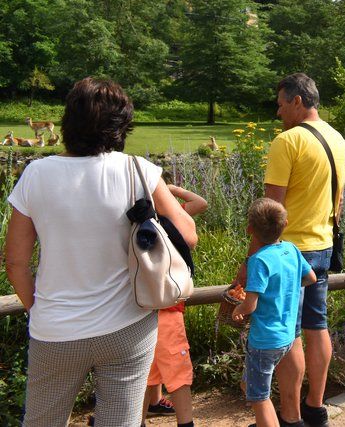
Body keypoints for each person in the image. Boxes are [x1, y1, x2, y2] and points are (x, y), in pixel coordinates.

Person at [4, 77, 197, 427]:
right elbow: (187, 234)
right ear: (121, 125)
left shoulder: (36, 174)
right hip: (127, 326)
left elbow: (15, 262)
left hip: (56, 329)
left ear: (68, 121)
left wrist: (40, 309)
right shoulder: (138, 170)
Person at [235, 73, 345, 427]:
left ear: (298, 101)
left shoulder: (287, 142)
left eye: (282, 103)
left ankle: (291, 415)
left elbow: (271, 210)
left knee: (291, 332)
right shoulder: (339, 140)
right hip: (323, 245)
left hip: (287, 250)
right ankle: (316, 406)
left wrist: (249, 262)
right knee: (318, 325)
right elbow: (339, 201)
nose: (278, 110)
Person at [232, 199, 317, 427]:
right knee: (250, 384)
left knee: (260, 399)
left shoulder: (258, 260)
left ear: (250, 230)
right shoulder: (291, 249)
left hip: (264, 341)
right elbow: (311, 278)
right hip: (287, 338)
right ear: (285, 224)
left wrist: (238, 310)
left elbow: (250, 305)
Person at [143, 183, 209, 425]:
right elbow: (200, 203)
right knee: (178, 372)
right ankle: (186, 422)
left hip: (140, 309)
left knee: (145, 373)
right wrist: (171, 189)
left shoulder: (137, 219)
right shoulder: (170, 219)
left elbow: (201, 205)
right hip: (167, 308)